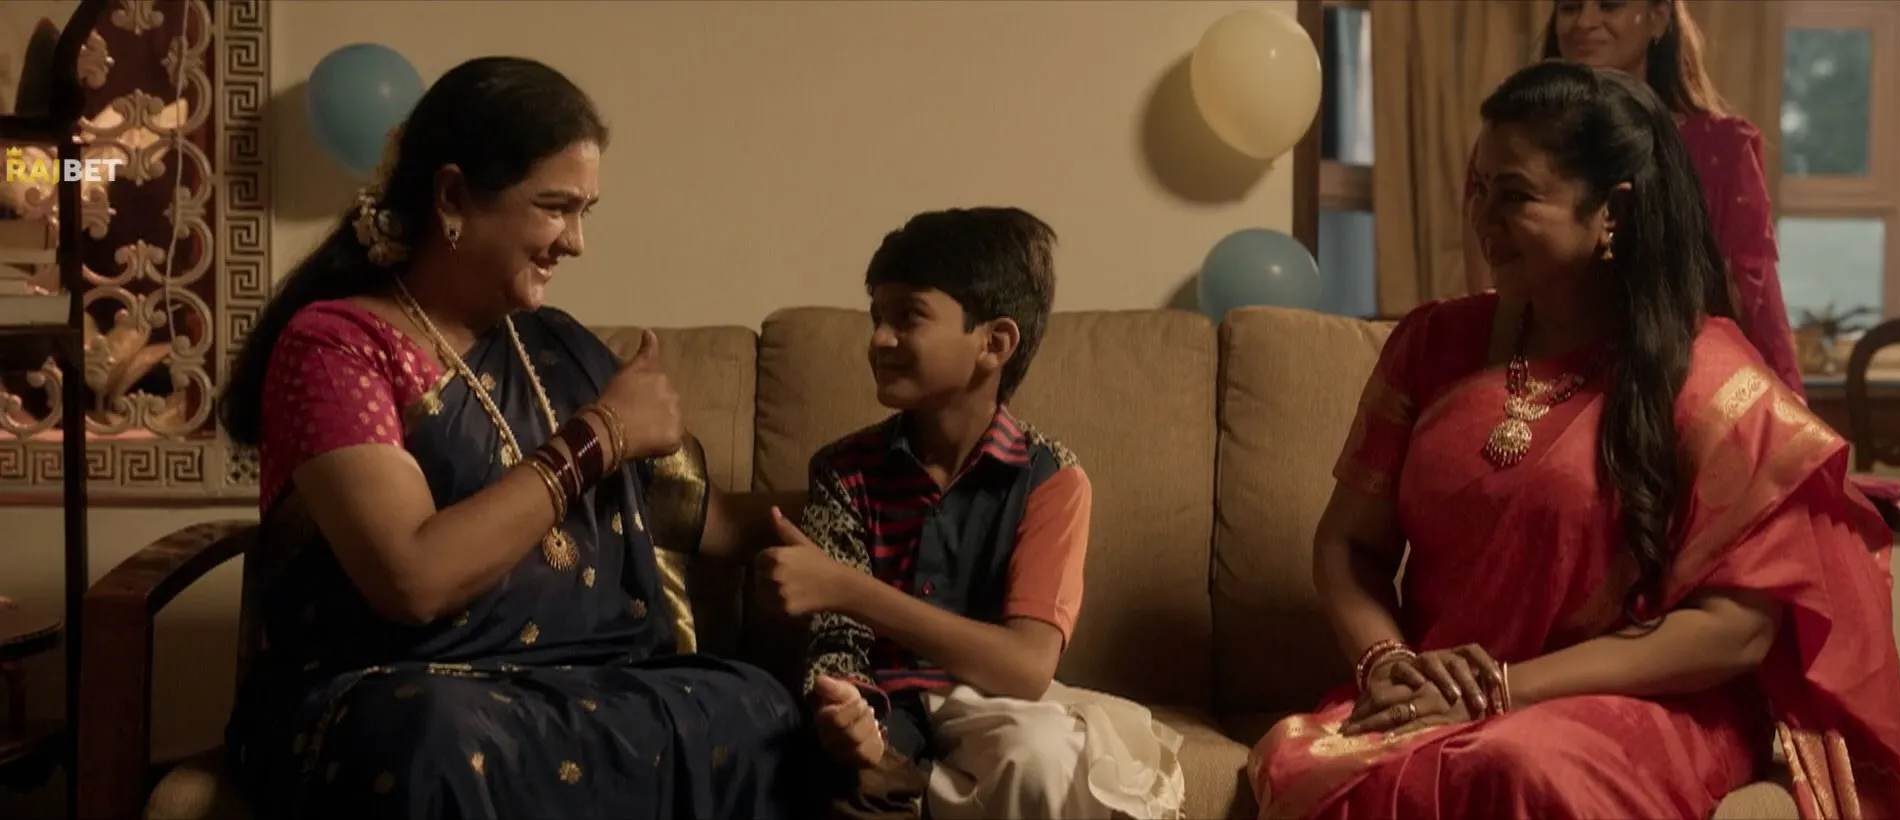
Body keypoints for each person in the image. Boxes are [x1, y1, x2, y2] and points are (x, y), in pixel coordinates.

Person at [1248, 61, 1900, 819]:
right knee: (1301, 760)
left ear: (1613, 211)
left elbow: (1736, 632)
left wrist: (1504, 689)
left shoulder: (1710, 382)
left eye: (1515, 196)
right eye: (1479, 188)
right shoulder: (1433, 345)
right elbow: (1347, 545)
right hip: (1441, 693)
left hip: (1638, 703)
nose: (1483, 217)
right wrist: (1387, 662)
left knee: (1516, 765)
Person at [218, 56, 807, 819]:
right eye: (555, 207)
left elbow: (711, 522)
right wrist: (601, 435)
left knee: (756, 707)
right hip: (395, 684)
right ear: (453, 197)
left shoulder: (555, 348)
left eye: (586, 211)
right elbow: (413, 579)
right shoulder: (337, 346)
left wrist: (869, 501)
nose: (576, 242)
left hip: (578, 683)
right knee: (434, 739)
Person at [751, 207, 1183, 820]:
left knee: (1045, 757)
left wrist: (847, 587)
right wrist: (846, 712)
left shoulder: (1052, 480)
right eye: (877, 317)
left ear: (994, 343)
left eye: (908, 317)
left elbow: (1026, 668)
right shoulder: (843, 471)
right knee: (836, 773)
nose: (879, 339)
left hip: (998, 709)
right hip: (888, 711)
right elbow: (835, 644)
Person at [1466, 0, 1804, 396]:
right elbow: (1488, 286)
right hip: (1533, 380)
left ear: (1659, 17)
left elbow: (1755, 298)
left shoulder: (1721, 148)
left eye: (1609, 5)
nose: (1585, 22)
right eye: (1570, 7)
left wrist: (1783, 399)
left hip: (1673, 384)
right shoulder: (1504, 152)